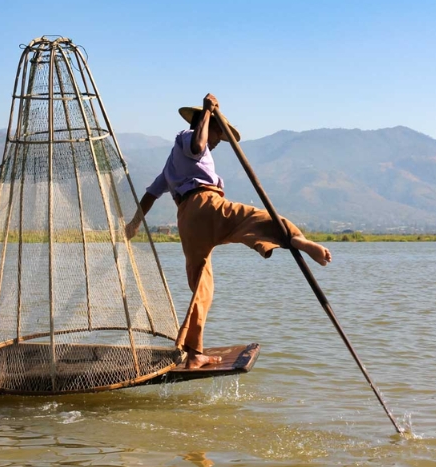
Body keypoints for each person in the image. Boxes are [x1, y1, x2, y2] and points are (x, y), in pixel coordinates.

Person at [126, 94, 332, 369]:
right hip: (206, 205)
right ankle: (298, 240)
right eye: (216, 136)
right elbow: (199, 143)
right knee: (255, 219)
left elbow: (150, 195)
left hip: (187, 221)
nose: (215, 143)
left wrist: (134, 224)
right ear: (205, 124)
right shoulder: (188, 138)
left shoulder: (172, 165)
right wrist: (208, 112)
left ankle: (194, 353)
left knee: (203, 286)